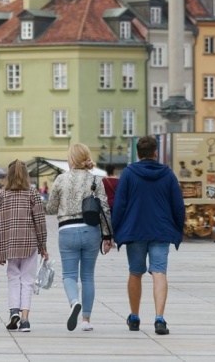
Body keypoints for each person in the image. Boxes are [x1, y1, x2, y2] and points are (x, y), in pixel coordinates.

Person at [112, 135, 185, 336]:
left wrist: (113, 230)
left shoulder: (128, 174)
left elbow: (119, 205)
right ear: (155, 153)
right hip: (161, 230)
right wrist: (178, 228)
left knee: (135, 272)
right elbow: (178, 205)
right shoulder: (168, 174)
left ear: (137, 153)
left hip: (135, 230)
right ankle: (159, 318)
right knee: (159, 272)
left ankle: (134, 317)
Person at [46, 143, 112, 332]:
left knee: (69, 275)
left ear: (71, 159)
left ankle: (74, 302)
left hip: (67, 231)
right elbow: (105, 209)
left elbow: (50, 208)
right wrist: (108, 236)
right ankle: (86, 320)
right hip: (91, 230)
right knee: (88, 276)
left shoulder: (61, 179)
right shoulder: (95, 180)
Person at [0, 159, 48, 333]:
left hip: (9, 244)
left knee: (13, 278)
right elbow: (39, 220)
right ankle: (24, 320)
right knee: (27, 281)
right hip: (29, 243)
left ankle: (13, 310)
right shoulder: (32, 193)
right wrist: (43, 245)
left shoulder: (2, 195)